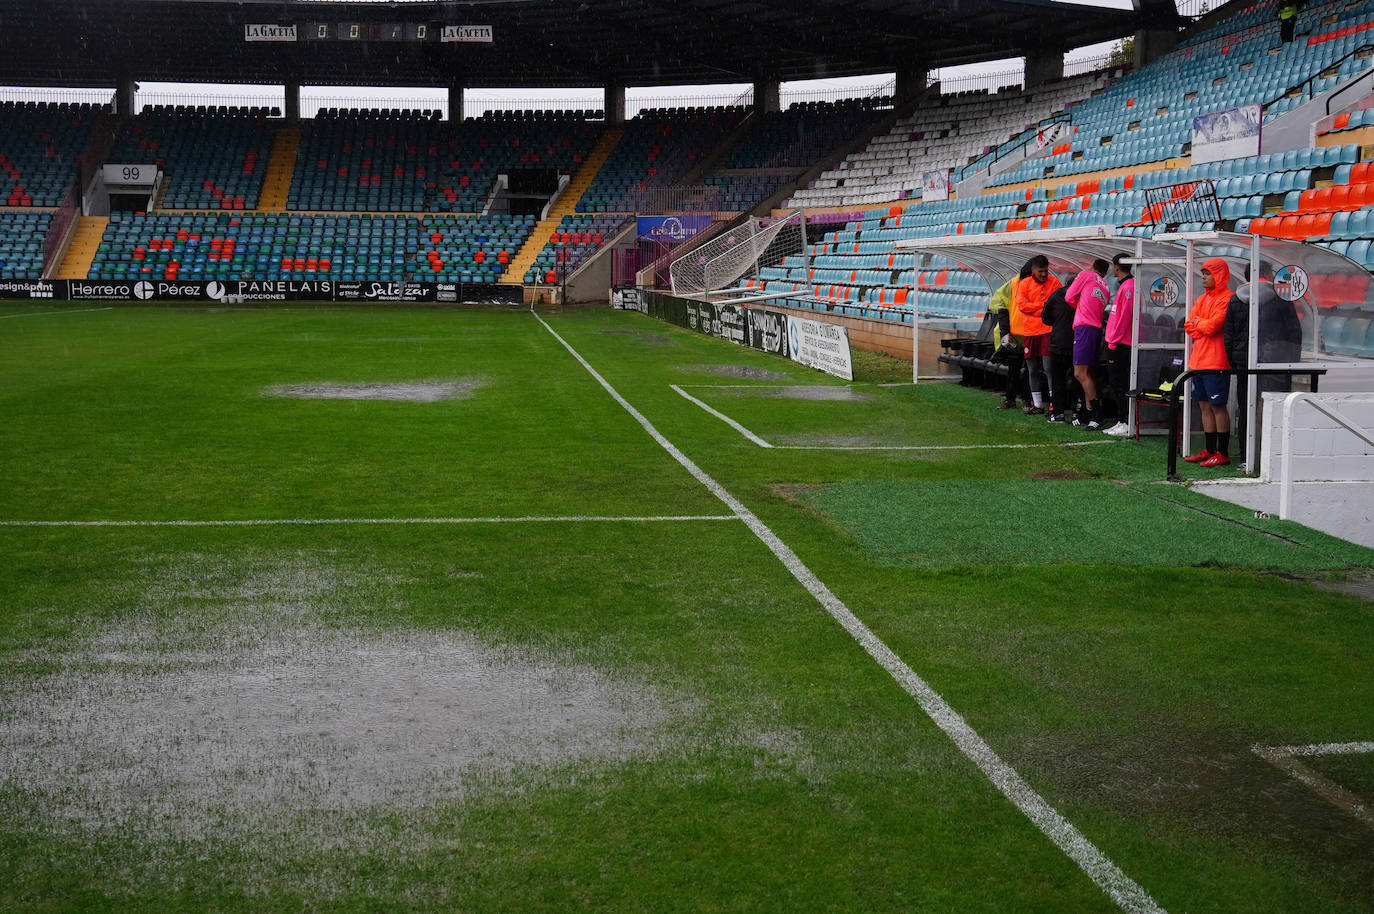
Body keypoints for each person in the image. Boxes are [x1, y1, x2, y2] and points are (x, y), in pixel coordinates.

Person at [1223, 262, 1303, 463]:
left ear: (1247, 275)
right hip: (1275, 363)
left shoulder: (1235, 300)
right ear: (1267, 274)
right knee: (1275, 409)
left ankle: (1246, 457)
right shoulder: (1281, 298)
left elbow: (1229, 336)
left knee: (1245, 408)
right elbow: (1294, 332)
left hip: (1245, 365)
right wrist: (1292, 362)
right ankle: (1274, 457)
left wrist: (1235, 361)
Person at [1183, 258, 1234, 467]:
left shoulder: (1228, 298)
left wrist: (1199, 324)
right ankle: (1210, 450)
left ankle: (1222, 453)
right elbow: (1188, 324)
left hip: (1216, 362)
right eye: (1202, 273)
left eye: (1208, 273)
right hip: (1198, 361)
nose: (1203, 277)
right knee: (1204, 405)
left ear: (1219, 275)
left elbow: (1213, 326)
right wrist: (1200, 324)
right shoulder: (1203, 299)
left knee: (1217, 406)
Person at [1012, 254, 1062, 415]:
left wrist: (1034, 309)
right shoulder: (1024, 283)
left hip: (1048, 331)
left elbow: (1056, 306)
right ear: (1033, 270)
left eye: (1046, 271)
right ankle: (1038, 405)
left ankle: (1055, 405)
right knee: (1032, 369)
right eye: (1040, 271)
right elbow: (1021, 305)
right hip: (1030, 332)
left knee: (1049, 368)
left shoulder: (1054, 282)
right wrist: (1043, 306)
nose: (1043, 274)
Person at [1065, 259, 1111, 429]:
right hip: (1096, 329)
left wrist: (1080, 307)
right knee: (1089, 373)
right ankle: (1088, 412)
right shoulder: (1106, 287)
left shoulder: (1086, 275)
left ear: (1092, 267)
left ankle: (1097, 414)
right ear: (1105, 273)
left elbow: (1069, 296)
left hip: (1084, 327)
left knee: (1080, 373)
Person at [992, 260, 1034, 410]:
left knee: (1030, 370)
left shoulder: (1039, 285)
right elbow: (1001, 308)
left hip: (1032, 335)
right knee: (1014, 369)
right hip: (1015, 336)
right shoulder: (1012, 284)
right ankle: (1011, 400)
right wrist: (1005, 333)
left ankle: (1027, 401)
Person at [1101, 254, 1135, 436]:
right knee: (1115, 383)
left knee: (1120, 383)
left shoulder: (1129, 286)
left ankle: (1126, 421)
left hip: (1121, 343)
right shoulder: (1125, 286)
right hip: (1116, 341)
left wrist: (1114, 340)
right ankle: (1121, 419)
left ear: (1116, 267)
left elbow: (1125, 317)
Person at [1040, 284, 1076, 422]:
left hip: (1058, 342)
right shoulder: (1081, 297)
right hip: (1076, 342)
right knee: (1076, 379)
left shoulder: (1056, 295)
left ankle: (1058, 412)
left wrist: (1058, 323)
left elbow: (1045, 317)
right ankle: (1075, 412)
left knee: (1057, 380)